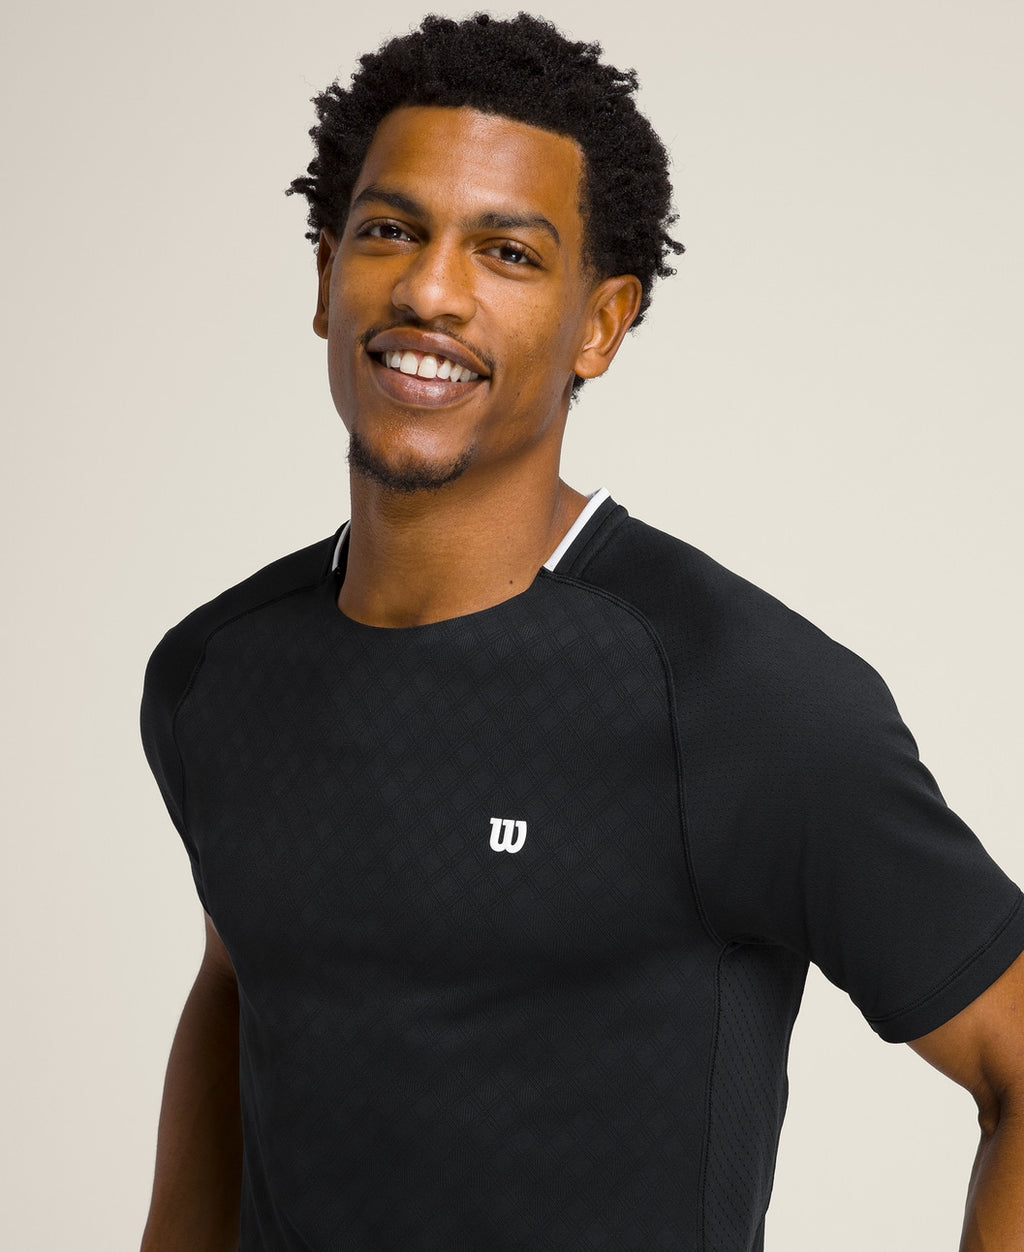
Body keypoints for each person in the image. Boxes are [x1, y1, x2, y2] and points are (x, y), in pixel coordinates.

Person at [139, 13, 1024, 1251]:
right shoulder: (214, 672)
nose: (429, 290)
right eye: (390, 231)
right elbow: (244, 982)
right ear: (327, 273)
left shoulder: (738, 699)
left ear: (599, 325)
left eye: (506, 252)